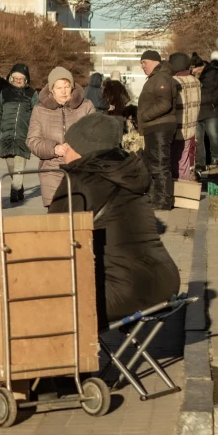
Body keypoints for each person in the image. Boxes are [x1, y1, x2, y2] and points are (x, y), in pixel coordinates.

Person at [49, 113, 180, 326]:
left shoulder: (80, 181)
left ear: (81, 148)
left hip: (124, 292)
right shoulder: (126, 174)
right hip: (165, 283)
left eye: (68, 144)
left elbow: (51, 237)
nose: (63, 149)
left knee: (38, 301)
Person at [27, 67, 95, 207]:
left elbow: (96, 135)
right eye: (59, 87)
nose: (63, 91)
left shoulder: (86, 106)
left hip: (81, 169)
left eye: (66, 86)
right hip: (52, 170)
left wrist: (78, 146)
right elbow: (32, 140)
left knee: (80, 215)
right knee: (57, 217)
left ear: (72, 86)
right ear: (51, 89)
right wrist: (54, 148)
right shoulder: (40, 110)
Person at [0, 63, 38, 202]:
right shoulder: (4, 93)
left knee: (19, 166)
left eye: (21, 78)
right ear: (11, 78)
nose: (18, 81)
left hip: (23, 137)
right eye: (15, 78)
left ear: (26, 80)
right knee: (12, 168)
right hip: (7, 137)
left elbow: (38, 114)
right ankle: (19, 186)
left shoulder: (32, 94)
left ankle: (15, 188)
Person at [137, 50, 179, 210]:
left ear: (154, 61)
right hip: (154, 128)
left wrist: (145, 116)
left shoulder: (161, 78)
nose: (142, 66)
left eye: (144, 62)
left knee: (160, 164)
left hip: (159, 128)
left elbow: (164, 103)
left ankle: (163, 202)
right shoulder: (156, 78)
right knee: (154, 164)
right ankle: (156, 199)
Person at [168, 52, 201, 181]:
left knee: (173, 161)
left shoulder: (174, 81)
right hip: (190, 128)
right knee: (184, 161)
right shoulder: (196, 81)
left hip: (175, 127)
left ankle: (175, 191)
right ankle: (184, 191)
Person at [192, 53, 218, 171]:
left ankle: (216, 157)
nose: (192, 71)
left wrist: (213, 102)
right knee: (198, 139)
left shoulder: (213, 74)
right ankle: (200, 163)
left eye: (194, 68)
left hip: (211, 111)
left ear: (199, 66)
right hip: (198, 112)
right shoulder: (193, 77)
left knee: (213, 135)